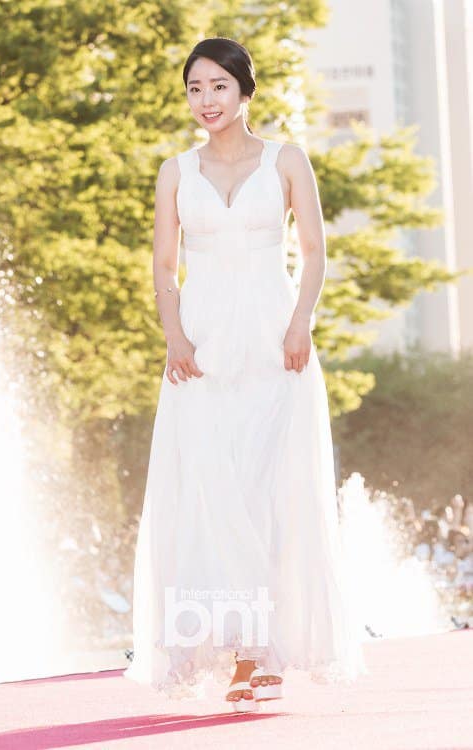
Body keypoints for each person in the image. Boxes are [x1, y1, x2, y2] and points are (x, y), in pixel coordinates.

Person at [124, 36, 368, 710]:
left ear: (244, 90)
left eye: (218, 86)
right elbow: (164, 264)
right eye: (195, 88)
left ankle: (263, 652)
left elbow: (314, 251)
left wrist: (301, 322)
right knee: (208, 492)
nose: (206, 100)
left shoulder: (287, 160)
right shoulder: (175, 171)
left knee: (269, 488)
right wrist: (174, 334)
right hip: (201, 350)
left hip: (273, 344)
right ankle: (235, 648)